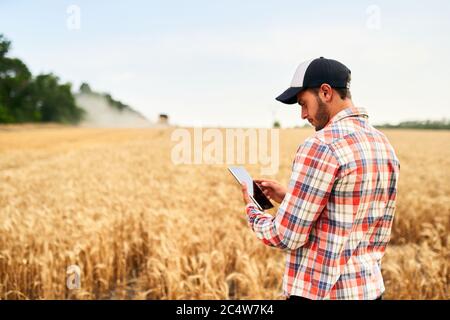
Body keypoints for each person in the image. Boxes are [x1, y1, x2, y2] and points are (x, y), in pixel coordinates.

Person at [240, 57, 400, 300]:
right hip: (369, 290)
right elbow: (352, 212)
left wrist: (252, 209)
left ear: (326, 92)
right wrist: (290, 198)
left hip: (323, 294)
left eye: (304, 103)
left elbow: (285, 236)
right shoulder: (383, 144)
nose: (303, 115)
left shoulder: (322, 145)